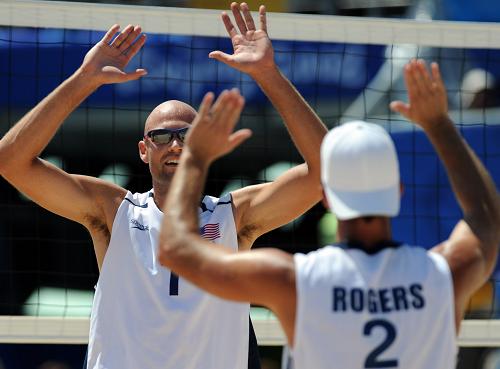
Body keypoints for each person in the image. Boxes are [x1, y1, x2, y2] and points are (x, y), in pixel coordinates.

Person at [0, 3, 327, 369]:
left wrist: (269, 74)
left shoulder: (233, 216)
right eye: (161, 135)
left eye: (186, 136)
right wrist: (83, 79)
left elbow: (325, 174)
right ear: (143, 150)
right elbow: (11, 162)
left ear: (204, 141)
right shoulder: (114, 211)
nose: (174, 144)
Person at [158, 59, 500, 369]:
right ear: (398, 191)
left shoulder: (295, 280)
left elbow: (174, 249)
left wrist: (197, 158)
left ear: (325, 199)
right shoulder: (443, 275)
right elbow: (485, 216)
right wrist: (439, 124)